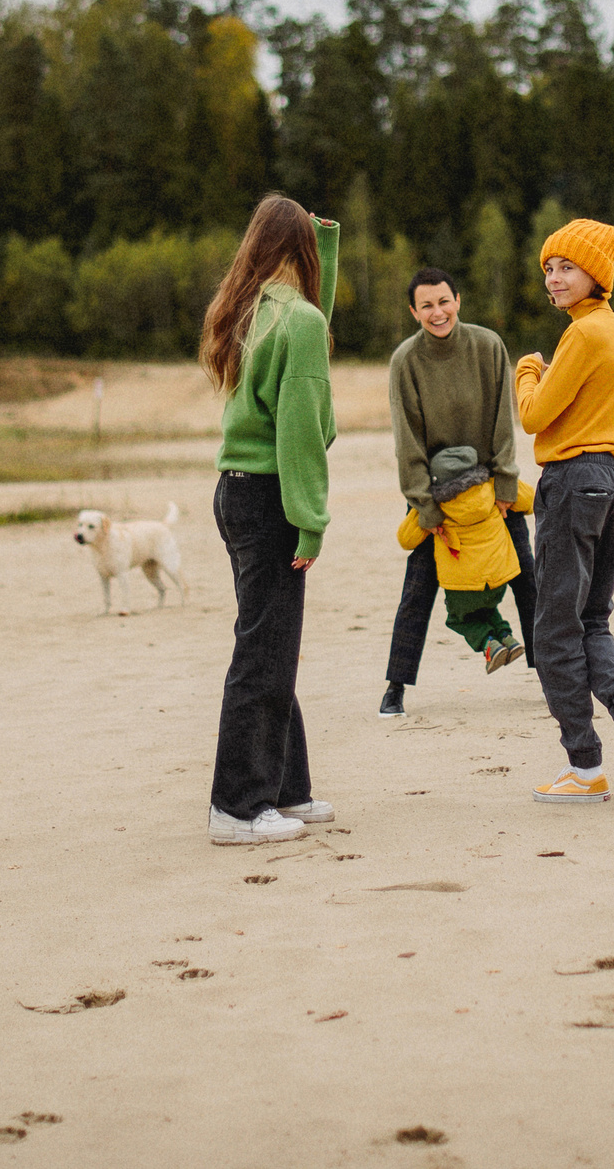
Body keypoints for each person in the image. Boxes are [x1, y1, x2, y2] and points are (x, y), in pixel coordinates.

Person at [199, 194, 343, 846]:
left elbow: (312, 336)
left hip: (234, 492)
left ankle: (288, 787)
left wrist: (327, 249)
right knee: (264, 651)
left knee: (271, 642)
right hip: (271, 499)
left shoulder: (247, 310)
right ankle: (237, 805)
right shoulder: (300, 322)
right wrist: (311, 519)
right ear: (301, 252)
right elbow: (299, 432)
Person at [511, 219, 614, 805]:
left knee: (553, 628)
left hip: (573, 483)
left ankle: (584, 766)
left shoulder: (582, 336)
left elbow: (534, 417)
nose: (553, 278)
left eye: (566, 267)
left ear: (596, 275)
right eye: (548, 268)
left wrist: (527, 372)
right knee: (593, 618)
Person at [380, 267, 538, 715]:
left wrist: (506, 482)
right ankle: (395, 687)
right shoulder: (405, 361)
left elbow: (503, 422)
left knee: (528, 577)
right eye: (426, 305)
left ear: (458, 301)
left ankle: (553, 674)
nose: (437, 312)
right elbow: (405, 439)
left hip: (493, 491)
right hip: (433, 496)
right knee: (418, 590)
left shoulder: (488, 346)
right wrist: (424, 507)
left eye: (444, 301)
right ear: (414, 311)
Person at [392, 444, 532, 674]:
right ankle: (507, 638)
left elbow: (406, 539)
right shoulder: (492, 486)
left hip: (462, 585)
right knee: (487, 609)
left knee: (460, 619)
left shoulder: (434, 505)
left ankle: (489, 645)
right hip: (498, 579)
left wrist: (427, 516)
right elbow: (528, 499)